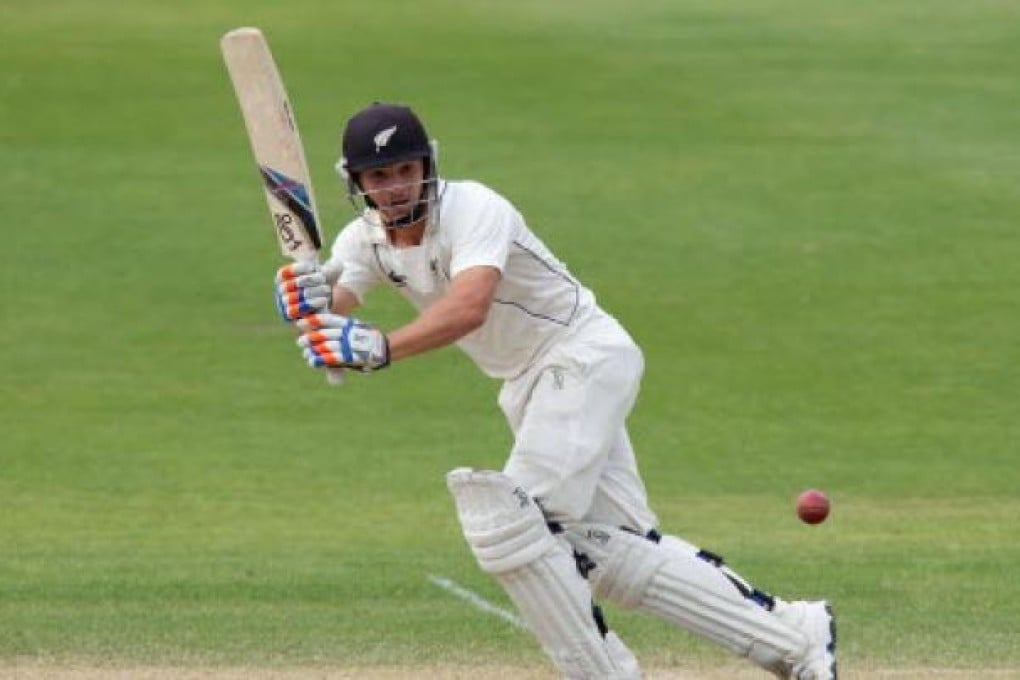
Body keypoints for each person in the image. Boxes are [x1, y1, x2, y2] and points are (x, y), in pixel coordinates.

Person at [273, 102, 838, 679]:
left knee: (512, 524)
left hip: (580, 355)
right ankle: (795, 636)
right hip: (529, 385)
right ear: (358, 183)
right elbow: (331, 320)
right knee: (615, 551)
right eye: (379, 176)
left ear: (427, 165)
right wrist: (306, 303)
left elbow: (469, 306)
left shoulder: (474, 208)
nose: (395, 187)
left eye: (404, 170)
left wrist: (382, 347)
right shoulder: (363, 241)